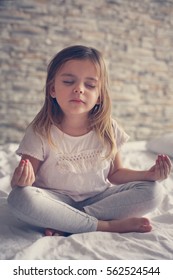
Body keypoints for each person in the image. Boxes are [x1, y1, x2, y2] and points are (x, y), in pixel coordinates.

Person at [8, 45, 172, 236]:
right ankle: (105, 226)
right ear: (52, 89)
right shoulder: (40, 131)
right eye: (69, 82)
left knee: (154, 191)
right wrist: (21, 180)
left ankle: (67, 221)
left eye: (90, 85)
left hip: (98, 200)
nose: (79, 89)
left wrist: (148, 175)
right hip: (55, 199)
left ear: (100, 95)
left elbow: (115, 174)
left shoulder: (109, 128)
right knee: (19, 198)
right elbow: (24, 183)